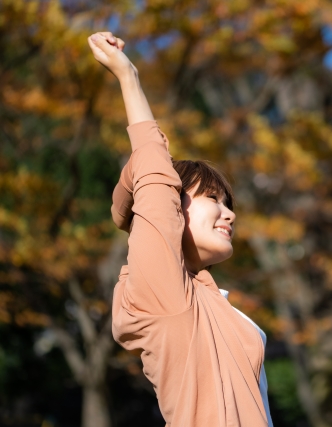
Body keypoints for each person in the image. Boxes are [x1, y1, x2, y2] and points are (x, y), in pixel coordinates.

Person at [88, 31, 273, 427]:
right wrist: (128, 77)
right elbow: (153, 175)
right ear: (173, 209)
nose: (229, 214)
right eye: (211, 198)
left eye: (229, 204)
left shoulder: (212, 302)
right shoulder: (163, 295)